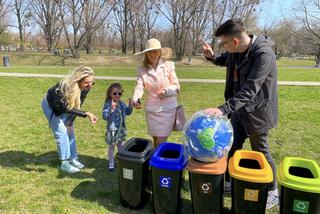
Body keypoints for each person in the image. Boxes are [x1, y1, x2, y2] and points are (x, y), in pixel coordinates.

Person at [202, 19, 278, 209]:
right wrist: (212, 57)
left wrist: (222, 109)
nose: (222, 48)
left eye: (223, 44)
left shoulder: (263, 53)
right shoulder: (236, 51)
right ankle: (229, 181)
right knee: (232, 145)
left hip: (258, 112)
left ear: (234, 42)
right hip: (239, 110)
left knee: (260, 149)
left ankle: (272, 190)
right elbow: (224, 60)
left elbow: (250, 90)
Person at [41, 66, 98, 173]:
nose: (90, 85)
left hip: (65, 108)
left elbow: (77, 105)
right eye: (87, 83)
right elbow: (63, 108)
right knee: (61, 132)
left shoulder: (85, 88)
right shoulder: (64, 87)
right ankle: (64, 163)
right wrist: (86, 114)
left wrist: (70, 121)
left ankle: (73, 159)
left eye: (92, 82)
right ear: (78, 80)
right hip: (51, 106)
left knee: (70, 130)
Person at [132, 38, 180, 148]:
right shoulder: (141, 69)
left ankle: (158, 163)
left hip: (168, 109)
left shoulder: (169, 66)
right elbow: (139, 87)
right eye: (149, 52)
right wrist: (136, 99)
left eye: (155, 52)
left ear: (159, 52)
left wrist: (167, 91)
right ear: (146, 54)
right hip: (151, 110)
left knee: (161, 141)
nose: (152, 55)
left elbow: (176, 86)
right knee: (155, 139)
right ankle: (154, 163)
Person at [102, 83, 133, 171]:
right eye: (114, 93)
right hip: (112, 130)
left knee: (121, 146)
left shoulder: (122, 103)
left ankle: (121, 161)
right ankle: (111, 163)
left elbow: (128, 112)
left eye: (119, 93)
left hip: (121, 129)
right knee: (112, 146)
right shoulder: (108, 104)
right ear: (110, 94)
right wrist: (111, 110)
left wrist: (130, 105)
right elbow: (104, 116)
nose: (117, 95)